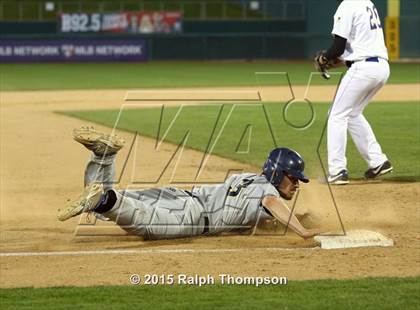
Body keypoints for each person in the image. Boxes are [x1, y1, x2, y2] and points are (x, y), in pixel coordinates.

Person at [58, 127, 321, 240]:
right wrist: (301, 230)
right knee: (142, 222)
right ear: (277, 173)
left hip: (179, 196)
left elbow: (257, 215)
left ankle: (104, 155)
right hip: (188, 215)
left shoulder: (250, 178)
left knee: (107, 205)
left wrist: (292, 219)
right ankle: (103, 199)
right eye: (293, 177)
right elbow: (271, 202)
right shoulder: (267, 191)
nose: (297, 183)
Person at [315, 0, 393, 185]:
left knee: (336, 114)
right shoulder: (367, 4)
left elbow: (338, 47)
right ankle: (378, 161)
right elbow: (356, 48)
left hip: (363, 69)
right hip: (381, 67)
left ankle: (337, 170)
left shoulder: (347, 5)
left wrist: (324, 57)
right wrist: (335, 60)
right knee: (352, 113)